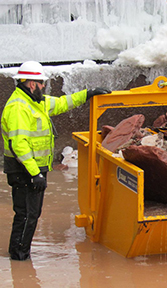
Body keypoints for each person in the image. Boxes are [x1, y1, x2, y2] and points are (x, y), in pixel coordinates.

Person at [1, 61, 111, 260]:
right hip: (25, 170)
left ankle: (18, 254)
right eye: (42, 83)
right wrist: (35, 174)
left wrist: (87, 94)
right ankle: (19, 257)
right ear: (32, 84)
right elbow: (19, 145)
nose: (44, 87)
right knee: (27, 215)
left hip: (30, 169)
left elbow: (61, 103)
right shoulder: (18, 107)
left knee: (28, 214)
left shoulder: (36, 102)